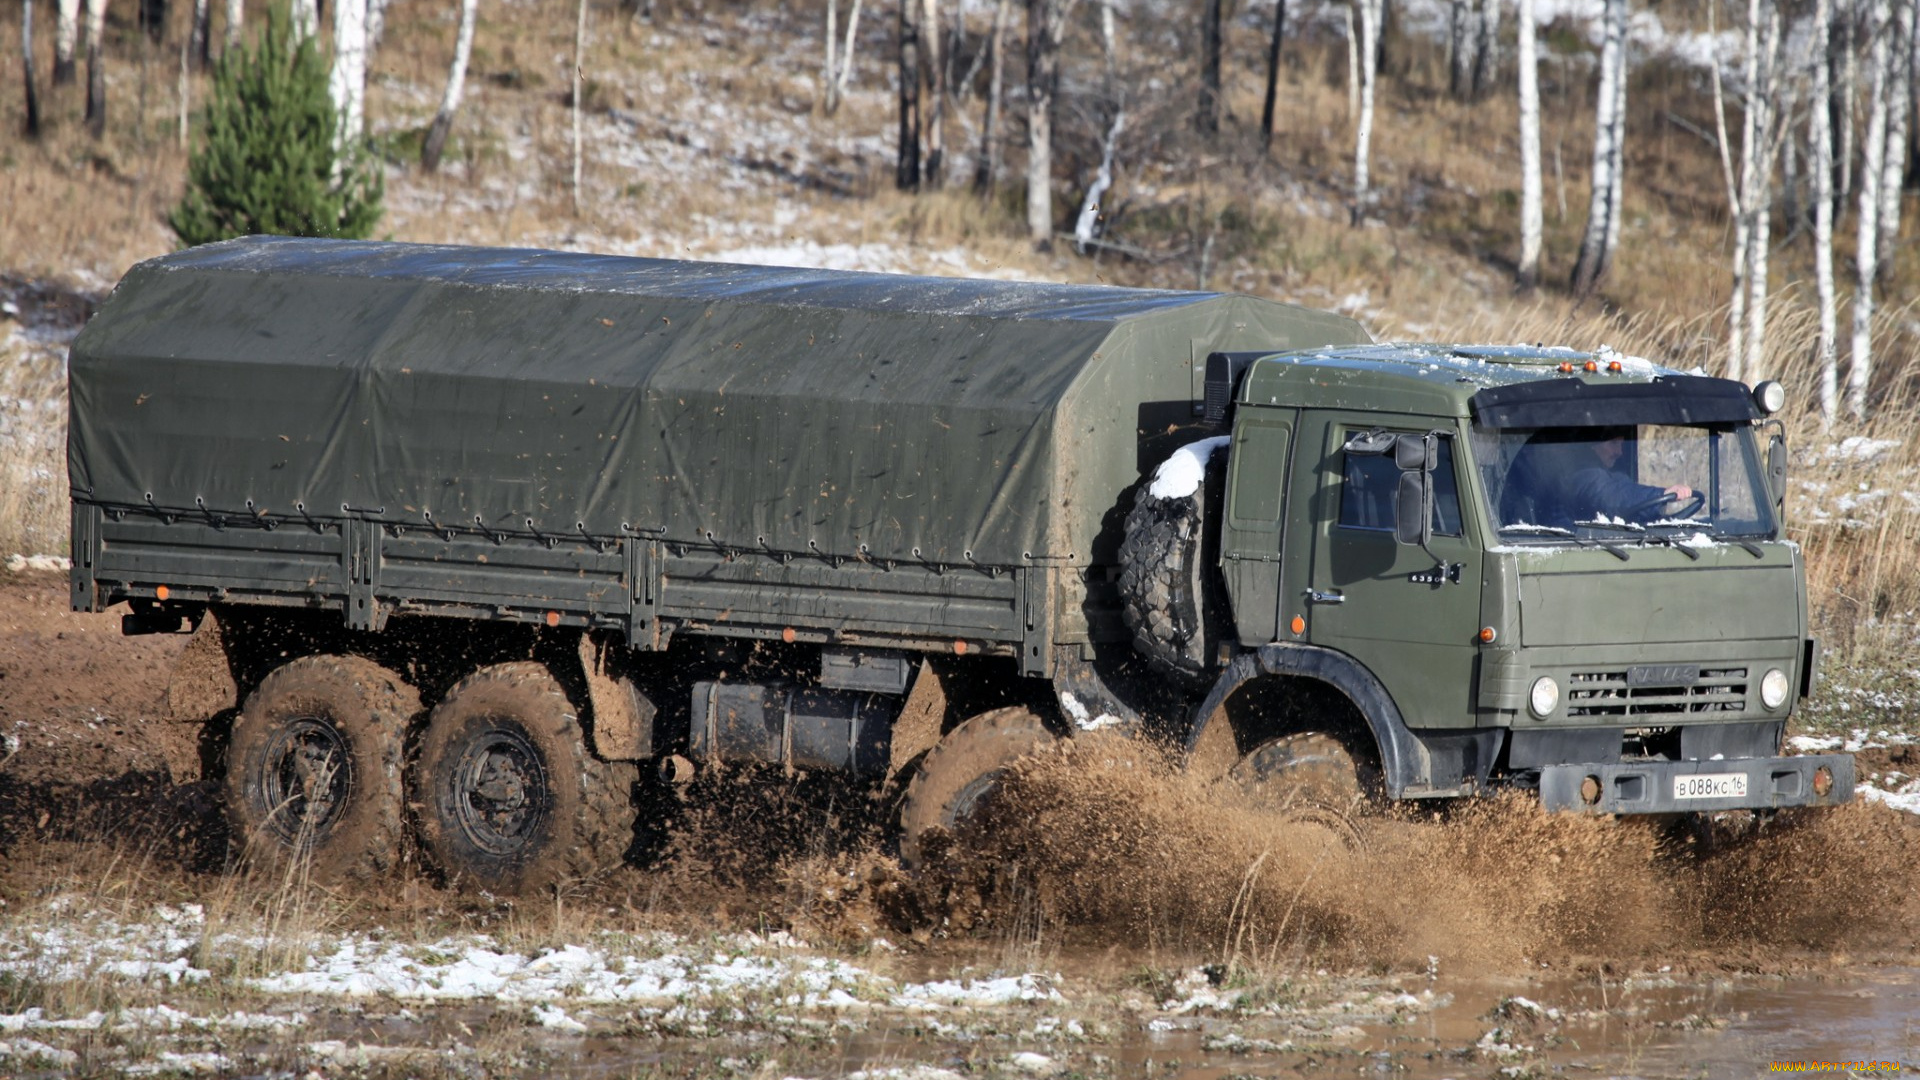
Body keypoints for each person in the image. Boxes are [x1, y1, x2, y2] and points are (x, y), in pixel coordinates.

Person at [1560, 429, 1693, 523]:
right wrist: (1661, 494)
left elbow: (1623, 489)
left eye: (1622, 444)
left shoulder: (1613, 476)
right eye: (1613, 443)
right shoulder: (1584, 476)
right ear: (1592, 445)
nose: (1619, 452)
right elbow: (1614, 496)